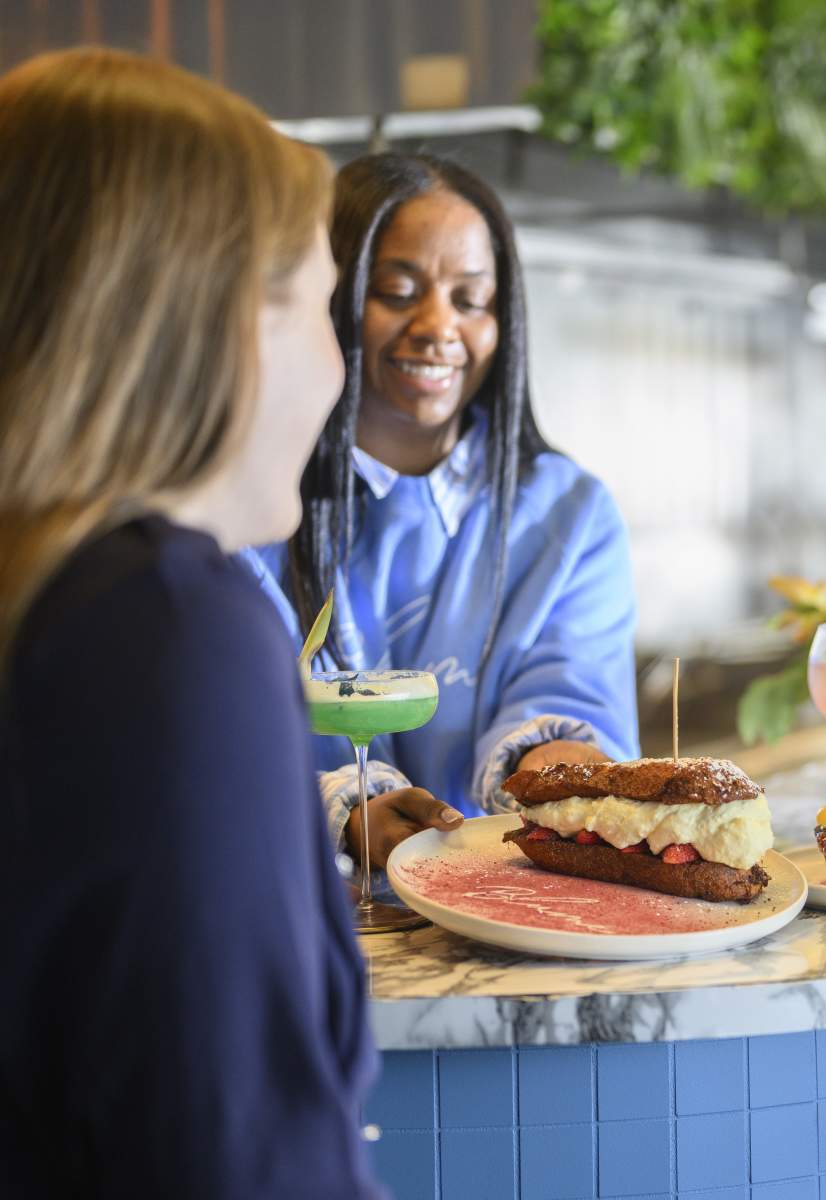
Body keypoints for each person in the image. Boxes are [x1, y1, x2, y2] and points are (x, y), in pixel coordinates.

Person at [0, 48, 384, 1199]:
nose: (341, 367)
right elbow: (240, 1156)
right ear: (212, 323)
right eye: (323, 307)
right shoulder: (172, 632)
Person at [241, 152, 640, 872]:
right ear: (325, 296)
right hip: (310, 914)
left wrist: (558, 762)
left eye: (470, 299)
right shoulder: (249, 504)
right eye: (396, 291)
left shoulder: (567, 514)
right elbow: (215, 743)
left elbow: (570, 682)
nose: (438, 327)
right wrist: (340, 808)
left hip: (510, 913)